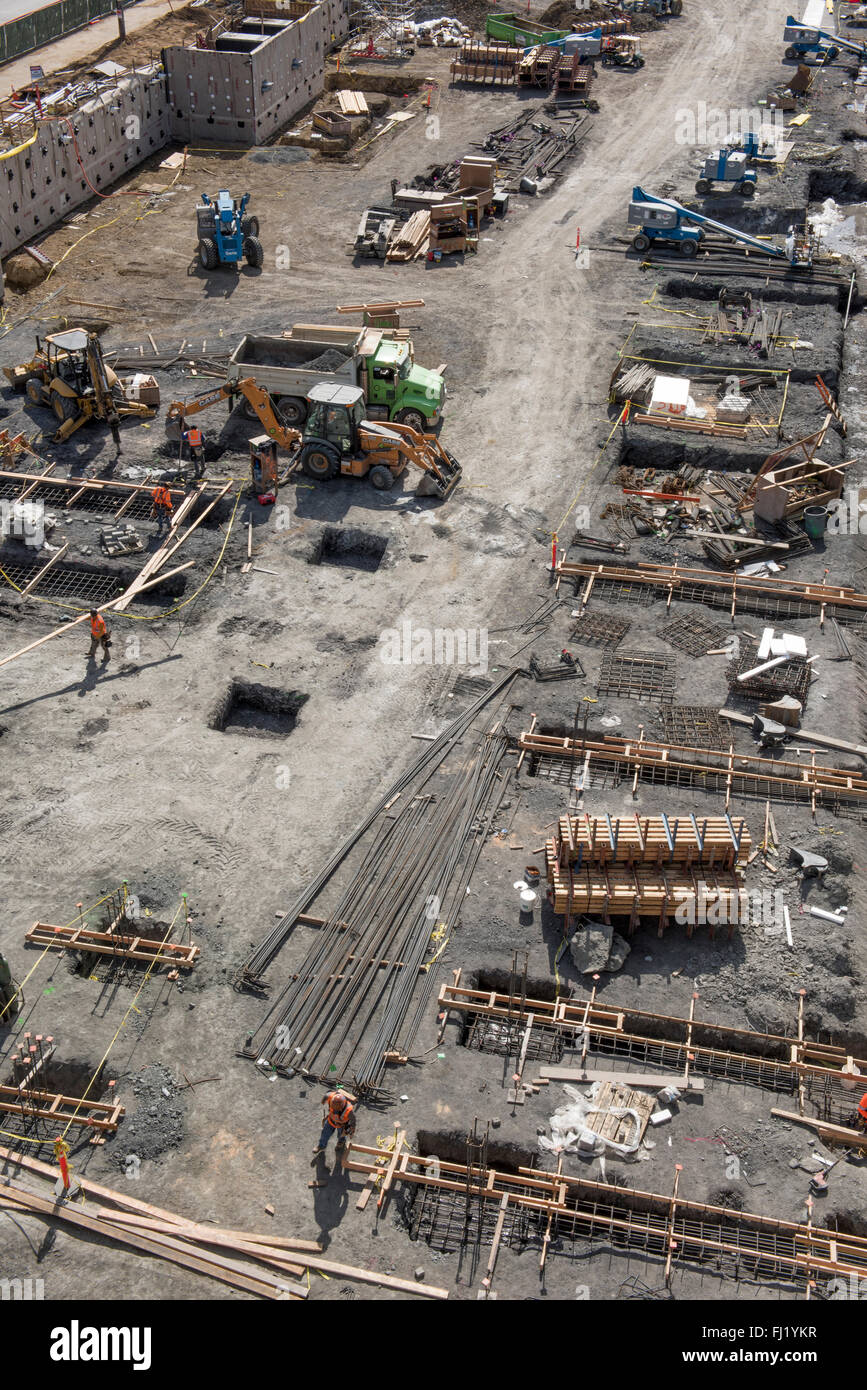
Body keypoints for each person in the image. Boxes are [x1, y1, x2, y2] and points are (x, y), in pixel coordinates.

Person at [312, 1087, 356, 1157]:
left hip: (342, 1125)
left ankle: (340, 1143)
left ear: (342, 1107)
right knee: (325, 1133)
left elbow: (353, 1120)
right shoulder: (331, 1096)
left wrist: (352, 1130)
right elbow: (327, 1095)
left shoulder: (348, 1110)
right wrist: (323, 1100)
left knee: (341, 1136)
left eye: (337, 1109)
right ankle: (321, 1145)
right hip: (330, 1121)